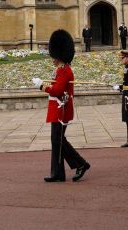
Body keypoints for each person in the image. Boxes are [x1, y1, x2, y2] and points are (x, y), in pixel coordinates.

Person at [32, 29, 89, 183]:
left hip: (61, 110)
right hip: (57, 109)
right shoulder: (59, 70)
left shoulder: (64, 71)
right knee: (57, 140)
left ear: (59, 55)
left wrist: (41, 86)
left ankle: (81, 164)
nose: (52, 58)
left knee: (58, 140)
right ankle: (58, 173)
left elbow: (57, 91)